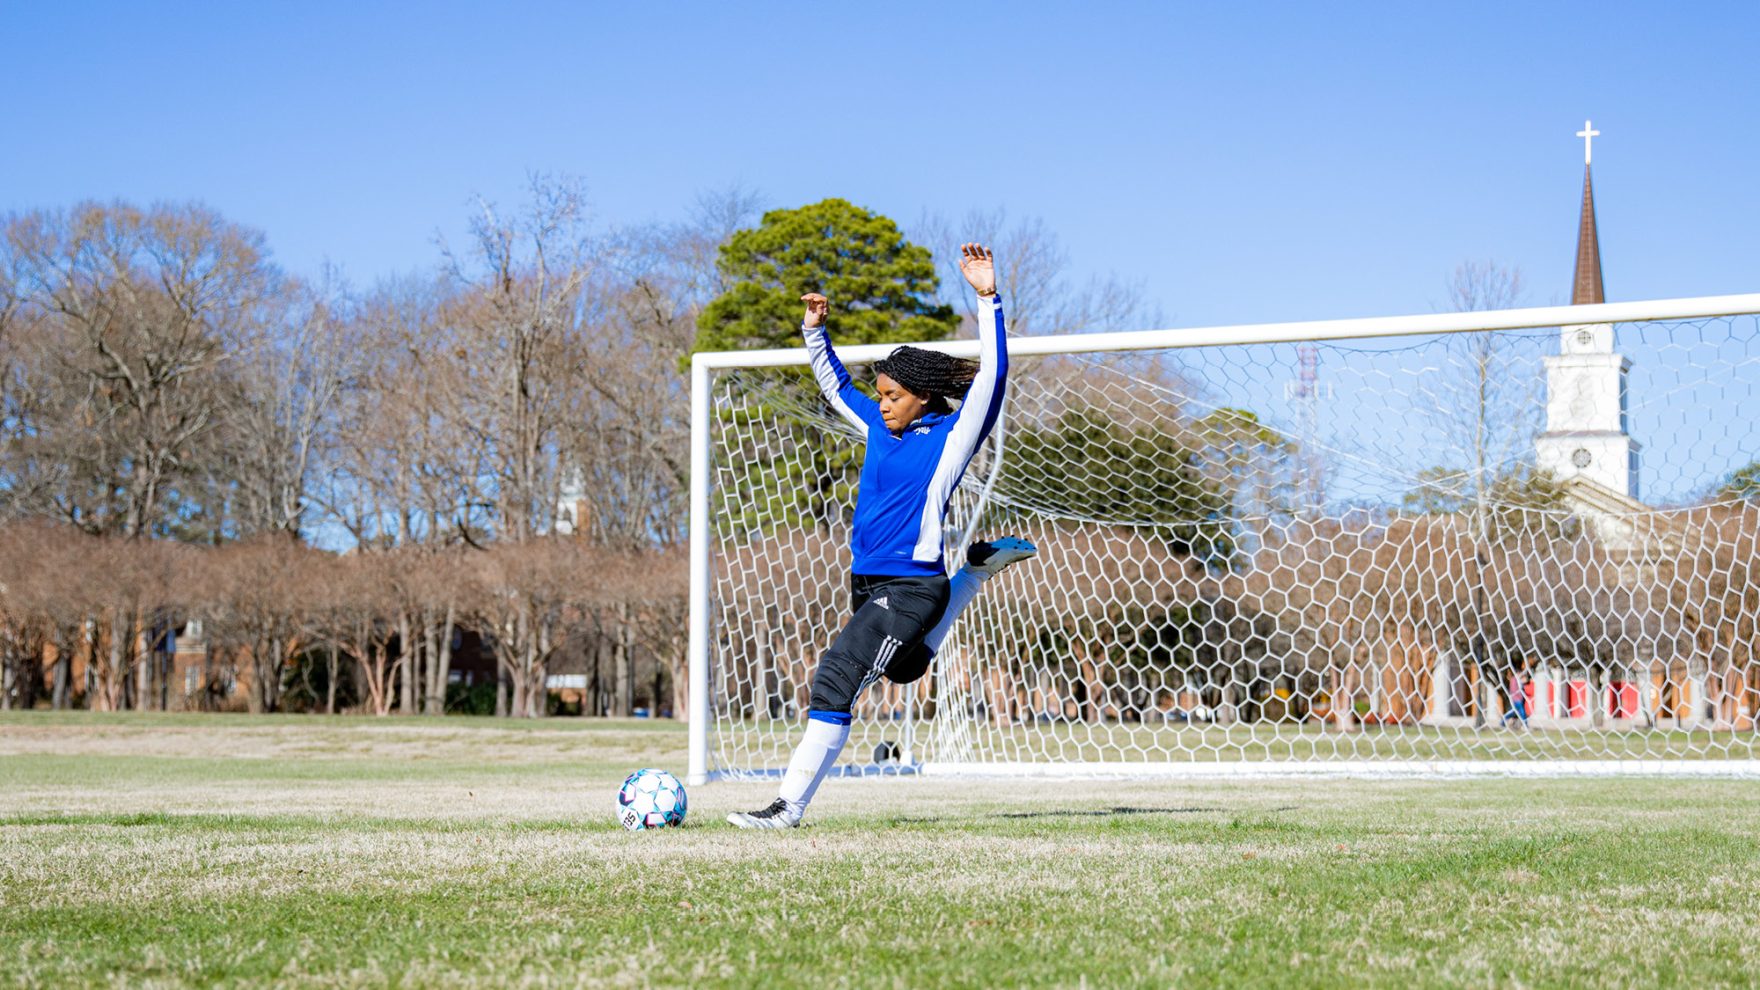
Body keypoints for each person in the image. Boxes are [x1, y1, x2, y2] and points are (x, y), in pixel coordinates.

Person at [727, 243, 1035, 829]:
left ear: (922, 396)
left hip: (913, 585)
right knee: (903, 670)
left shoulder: (949, 435)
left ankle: (785, 808)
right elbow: (835, 386)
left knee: (836, 675)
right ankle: (973, 575)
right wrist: (814, 332)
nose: (884, 404)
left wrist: (987, 297)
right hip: (867, 581)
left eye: (894, 395)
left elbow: (993, 375)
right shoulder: (876, 425)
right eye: (883, 395)